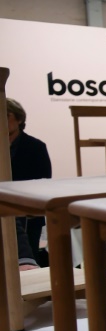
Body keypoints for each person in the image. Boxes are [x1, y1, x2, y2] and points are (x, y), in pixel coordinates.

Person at [7, 98, 51, 264]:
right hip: (6, 211)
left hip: (29, 215)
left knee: (29, 256)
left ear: (18, 118)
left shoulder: (36, 147)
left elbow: (44, 181)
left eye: (6, 115)